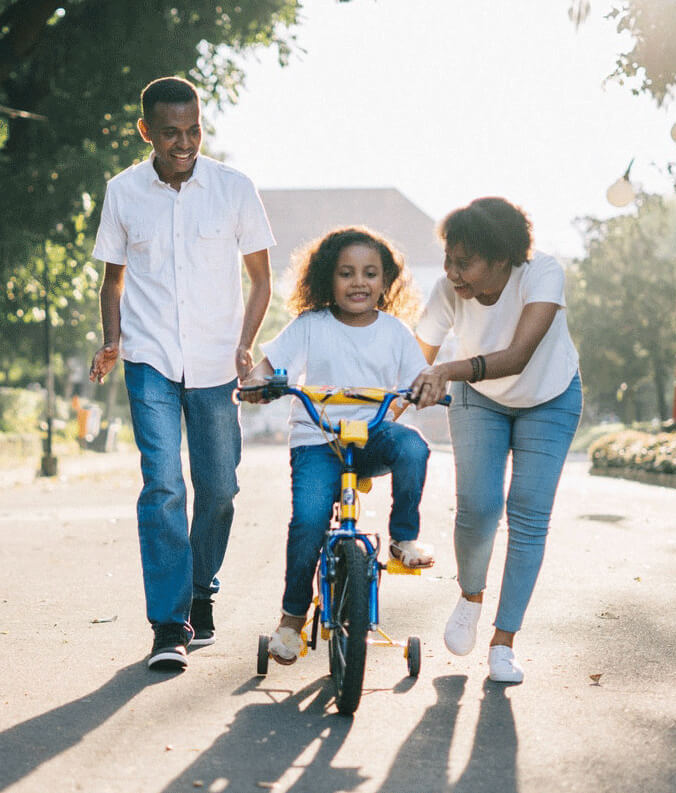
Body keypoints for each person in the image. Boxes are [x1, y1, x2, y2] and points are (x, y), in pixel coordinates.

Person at [89, 76, 275, 671]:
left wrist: (246, 344)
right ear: (146, 131)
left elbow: (261, 279)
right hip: (149, 361)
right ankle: (169, 624)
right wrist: (113, 341)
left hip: (218, 363)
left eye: (193, 130)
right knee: (164, 485)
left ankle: (201, 590)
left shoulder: (234, 188)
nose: (185, 142)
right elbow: (112, 279)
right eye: (170, 133)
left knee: (219, 489)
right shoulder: (122, 192)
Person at [241, 227, 433, 664]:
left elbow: (418, 379)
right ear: (329, 278)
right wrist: (257, 382)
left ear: (386, 283)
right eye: (346, 273)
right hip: (317, 441)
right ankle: (291, 620)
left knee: (414, 448)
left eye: (370, 273)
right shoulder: (311, 325)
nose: (359, 282)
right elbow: (269, 366)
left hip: (371, 437)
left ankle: (404, 538)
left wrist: (426, 389)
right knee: (309, 521)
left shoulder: (396, 332)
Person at [411, 197, 582, 684]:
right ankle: (470, 596)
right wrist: (385, 409)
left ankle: (504, 642)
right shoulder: (449, 291)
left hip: (549, 396)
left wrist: (446, 369)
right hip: (479, 400)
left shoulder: (541, 274)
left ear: (502, 259)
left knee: (528, 513)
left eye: (464, 262)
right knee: (479, 506)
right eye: (448, 258)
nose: (452, 272)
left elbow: (519, 355)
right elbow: (413, 360)